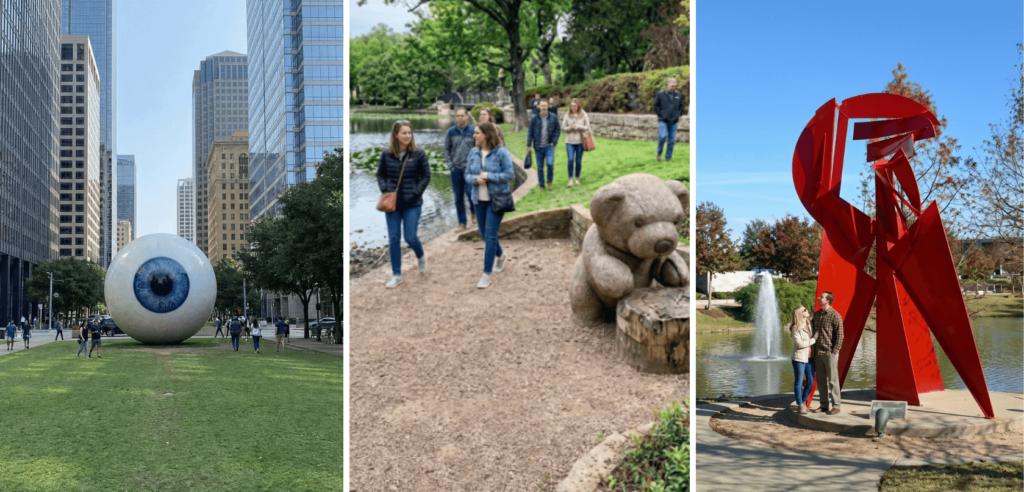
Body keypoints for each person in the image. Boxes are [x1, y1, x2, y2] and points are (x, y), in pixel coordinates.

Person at [377, 120, 431, 289]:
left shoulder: (418, 154)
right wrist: (386, 189)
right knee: (393, 239)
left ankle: (420, 256)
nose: (407, 136)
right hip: (392, 205)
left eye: (409, 132)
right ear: (396, 135)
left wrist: (416, 191)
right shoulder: (386, 154)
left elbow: (427, 176)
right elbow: (380, 175)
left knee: (410, 237)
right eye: (404, 133)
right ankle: (397, 275)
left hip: (412, 203)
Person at [465, 122, 515, 289]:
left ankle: (486, 274)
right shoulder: (473, 152)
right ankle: (501, 255)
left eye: (477, 133)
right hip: (478, 199)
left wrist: (488, 176)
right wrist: (475, 179)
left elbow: (510, 174)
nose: (474, 136)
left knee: (490, 236)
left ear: (486, 134)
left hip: (497, 199)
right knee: (485, 235)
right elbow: (467, 174)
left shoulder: (501, 152)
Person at [444, 108, 476, 230]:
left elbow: (478, 148)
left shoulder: (473, 131)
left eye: (462, 116)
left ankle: (473, 211)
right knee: (458, 197)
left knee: (470, 193)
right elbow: (446, 149)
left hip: (470, 169)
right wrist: (451, 166)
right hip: (456, 169)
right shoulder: (451, 132)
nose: (460, 118)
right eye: (458, 116)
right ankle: (462, 223)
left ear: (467, 117)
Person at [812, 291, 844, 415]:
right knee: (821, 381)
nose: (819, 298)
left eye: (822, 297)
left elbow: (840, 336)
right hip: (818, 354)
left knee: (833, 381)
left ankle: (836, 406)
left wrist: (834, 352)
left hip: (829, 353)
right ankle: (824, 405)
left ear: (827, 301)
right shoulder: (816, 315)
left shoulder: (835, 316)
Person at [526, 100, 561, 191]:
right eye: (542, 106)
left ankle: (549, 182)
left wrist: (554, 142)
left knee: (550, 164)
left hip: (549, 146)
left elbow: (558, 129)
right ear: (538, 106)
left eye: (545, 105)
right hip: (538, 147)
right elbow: (530, 132)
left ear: (548, 106)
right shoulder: (534, 118)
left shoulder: (553, 117)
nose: (544, 107)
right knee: (540, 167)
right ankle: (541, 185)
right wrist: (528, 145)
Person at [789, 305, 816, 414]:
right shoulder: (796, 327)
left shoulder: (810, 324)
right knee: (798, 382)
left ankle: (804, 402)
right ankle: (799, 405)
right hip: (799, 358)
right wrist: (813, 340)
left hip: (810, 358)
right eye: (805, 310)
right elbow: (799, 344)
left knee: (810, 382)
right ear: (800, 314)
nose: (807, 310)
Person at [653, 77, 684, 162]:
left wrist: (677, 115)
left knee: (671, 140)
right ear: (667, 85)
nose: (673, 87)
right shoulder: (660, 94)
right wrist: (661, 115)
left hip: (673, 121)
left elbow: (681, 107)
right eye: (671, 86)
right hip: (663, 120)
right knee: (663, 136)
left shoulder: (678, 95)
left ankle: (668, 157)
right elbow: (656, 106)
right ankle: (659, 152)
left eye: (674, 86)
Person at [561, 98, 590, 188]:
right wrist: (570, 128)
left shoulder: (583, 114)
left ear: (578, 106)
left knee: (578, 161)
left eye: (575, 106)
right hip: (569, 142)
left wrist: (578, 127)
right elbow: (563, 128)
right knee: (570, 160)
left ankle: (577, 178)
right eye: (572, 106)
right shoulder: (567, 115)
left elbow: (587, 127)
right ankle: (570, 179)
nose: (574, 107)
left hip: (580, 141)